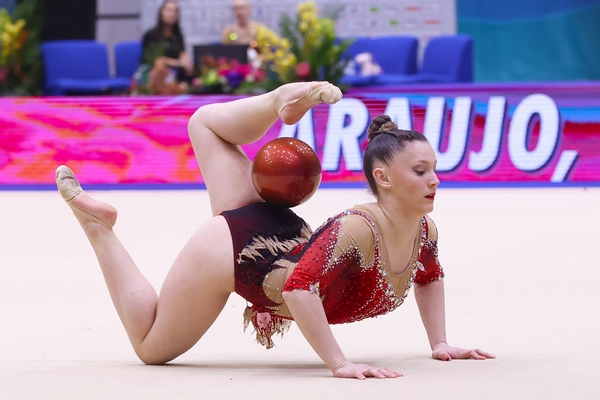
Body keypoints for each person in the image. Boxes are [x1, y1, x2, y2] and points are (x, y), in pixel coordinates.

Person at [55, 81, 494, 380]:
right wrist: (339, 364)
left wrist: (440, 343)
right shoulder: (357, 227)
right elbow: (299, 290)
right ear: (382, 178)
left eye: (434, 169)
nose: (435, 180)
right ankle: (100, 231)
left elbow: (429, 276)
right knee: (151, 348)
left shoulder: (424, 230)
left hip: (277, 227)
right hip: (235, 252)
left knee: (204, 125)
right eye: (420, 171)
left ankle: (277, 102)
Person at [140, 0, 193, 94]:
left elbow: (182, 53)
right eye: (169, 10)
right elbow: (157, 61)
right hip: (153, 71)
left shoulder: (178, 35)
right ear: (161, 12)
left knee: (192, 74)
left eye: (175, 11)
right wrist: (178, 63)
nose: (171, 14)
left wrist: (187, 63)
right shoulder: (151, 35)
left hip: (175, 71)